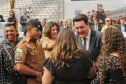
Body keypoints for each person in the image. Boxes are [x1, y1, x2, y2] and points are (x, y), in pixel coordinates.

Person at [15, 19, 46, 84]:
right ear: (29, 30)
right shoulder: (22, 45)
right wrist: (36, 74)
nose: (40, 33)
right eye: (37, 30)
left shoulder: (38, 43)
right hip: (30, 80)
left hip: (41, 79)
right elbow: (19, 66)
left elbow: (43, 59)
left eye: (40, 31)